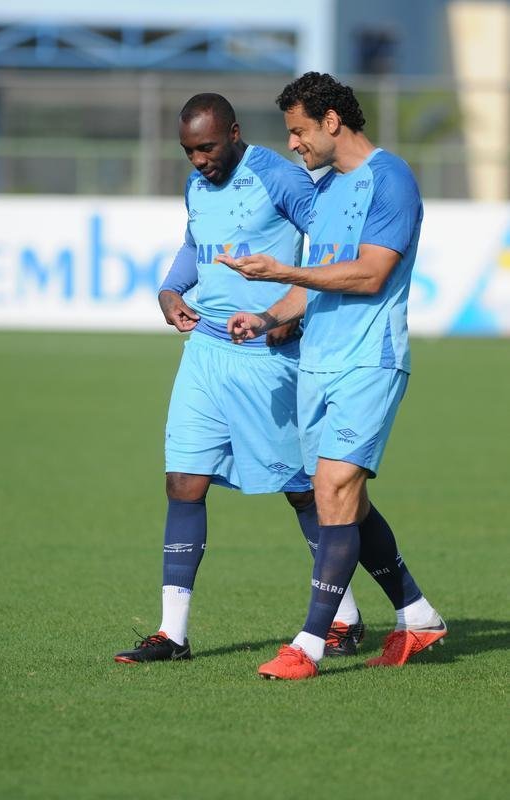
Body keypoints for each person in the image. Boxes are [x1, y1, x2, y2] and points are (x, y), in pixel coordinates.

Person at [114, 92, 363, 665]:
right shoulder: (197, 184)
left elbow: (331, 245)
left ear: (232, 131)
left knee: (304, 489)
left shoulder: (278, 176)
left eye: (206, 147)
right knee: (183, 481)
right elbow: (193, 242)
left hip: (269, 357)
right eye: (188, 151)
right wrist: (171, 290)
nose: (198, 161)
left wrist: (288, 310)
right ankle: (172, 634)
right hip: (205, 353)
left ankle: (344, 617)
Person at [219, 73, 446, 680]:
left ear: (331, 121)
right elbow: (316, 280)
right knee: (348, 499)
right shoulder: (326, 190)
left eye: (298, 130)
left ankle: (310, 644)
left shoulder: (390, 178)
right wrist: (267, 314)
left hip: (368, 360)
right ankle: (418, 615)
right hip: (318, 362)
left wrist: (280, 274)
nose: (294, 143)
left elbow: (370, 274)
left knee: (333, 489)